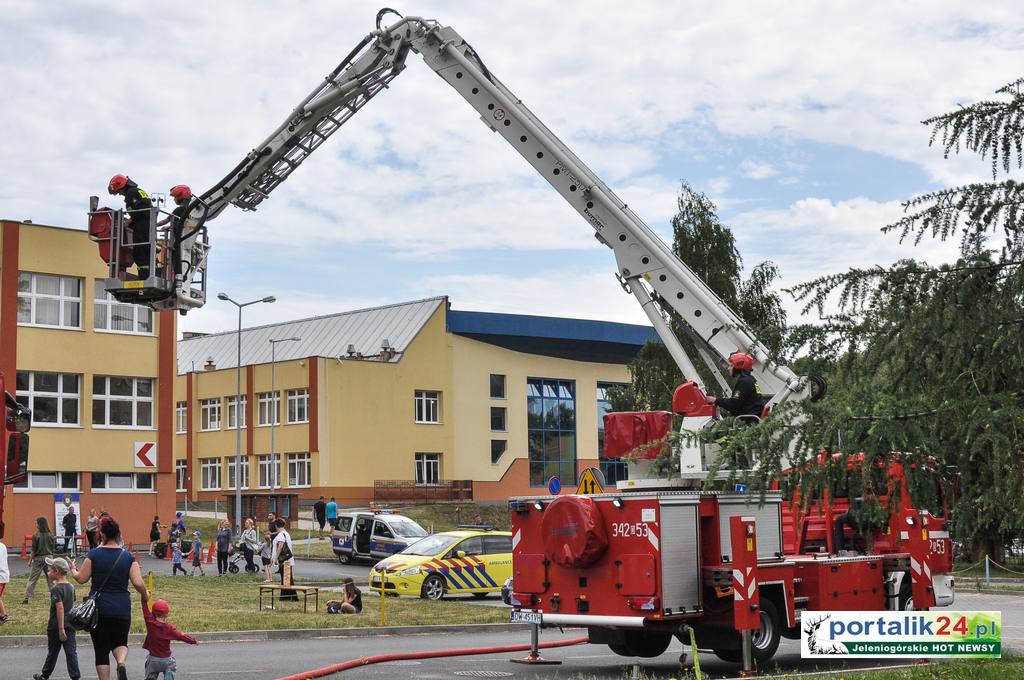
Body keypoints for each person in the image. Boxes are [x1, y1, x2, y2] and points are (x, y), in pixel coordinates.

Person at [69, 514, 150, 680]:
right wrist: (145, 594)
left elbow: (82, 579)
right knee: (121, 642)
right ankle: (121, 662)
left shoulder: (93, 555)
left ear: (102, 534)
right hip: (121, 608)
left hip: (99, 610)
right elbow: (137, 582)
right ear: (118, 533)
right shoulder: (128, 557)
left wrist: (73, 570)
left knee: (101, 650)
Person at [34, 556, 80, 680]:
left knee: (53, 652)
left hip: (56, 627)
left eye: (49, 570)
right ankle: (75, 676)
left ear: (56, 572)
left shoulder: (56, 589)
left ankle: (45, 675)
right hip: (70, 625)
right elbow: (71, 603)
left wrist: (61, 630)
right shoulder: (71, 587)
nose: (48, 572)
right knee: (71, 652)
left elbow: (60, 608)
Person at [108, 174, 155, 280]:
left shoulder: (131, 193)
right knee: (148, 253)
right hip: (148, 226)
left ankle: (144, 277)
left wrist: (127, 222)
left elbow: (140, 211)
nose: (120, 194)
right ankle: (149, 275)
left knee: (140, 253)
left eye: (119, 191)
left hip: (142, 228)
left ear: (122, 186)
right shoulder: (138, 191)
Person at [141, 596, 198, 680]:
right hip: (166, 660)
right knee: (172, 664)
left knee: (149, 666)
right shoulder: (169, 628)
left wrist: (144, 598)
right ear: (166, 614)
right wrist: (192, 641)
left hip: (153, 660)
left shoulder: (150, 622)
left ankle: (151, 677)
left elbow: (145, 610)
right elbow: (181, 636)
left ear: (153, 612)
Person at [705, 352, 765, 420]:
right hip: (752, 418)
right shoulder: (750, 380)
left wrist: (715, 400)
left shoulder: (744, 382)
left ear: (738, 367)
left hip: (747, 421)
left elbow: (733, 404)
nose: (728, 368)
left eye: (731, 365)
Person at [155, 184, 193, 280]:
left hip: (179, 241)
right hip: (188, 240)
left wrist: (153, 224)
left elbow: (166, 220)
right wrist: (170, 227)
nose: (174, 199)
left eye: (175, 197)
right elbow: (183, 224)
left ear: (180, 197)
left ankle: (177, 279)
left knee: (176, 262)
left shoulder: (180, 209)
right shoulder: (191, 210)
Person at [24, 516, 57, 604]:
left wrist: (30, 561)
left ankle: (26, 598)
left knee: (33, 579)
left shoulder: (36, 535)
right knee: (51, 578)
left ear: (39, 524)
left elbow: (33, 550)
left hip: (39, 558)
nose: (36, 525)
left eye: (37, 523)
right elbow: (53, 548)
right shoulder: (51, 535)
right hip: (49, 558)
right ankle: (54, 596)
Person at [271, 519, 297, 601]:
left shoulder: (281, 535)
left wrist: (276, 558)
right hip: (288, 560)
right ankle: (287, 596)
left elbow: (280, 547)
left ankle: (288, 596)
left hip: (284, 560)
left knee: (286, 579)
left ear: (276, 526)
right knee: (287, 578)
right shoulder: (286, 534)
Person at [0, 539, 9, 624]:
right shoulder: (3, 545)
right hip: (3, 575)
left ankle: (4, 615)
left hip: (1, 576)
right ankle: (3, 615)